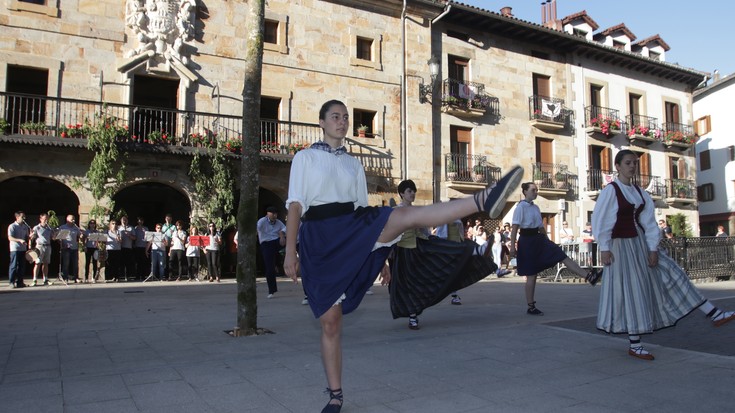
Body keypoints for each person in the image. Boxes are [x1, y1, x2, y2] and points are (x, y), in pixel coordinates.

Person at [283, 100, 522, 413]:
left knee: (408, 214)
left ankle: (482, 198)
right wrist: (290, 250)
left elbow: (360, 210)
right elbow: (295, 206)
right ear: (322, 122)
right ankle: (335, 392)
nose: (342, 122)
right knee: (331, 323)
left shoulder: (354, 164)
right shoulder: (305, 157)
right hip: (320, 237)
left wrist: (380, 256)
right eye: (335, 117)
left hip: (354, 225)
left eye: (346, 117)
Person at [592, 149, 735, 361]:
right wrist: (604, 247)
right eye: (628, 162)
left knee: (675, 274)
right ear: (618, 166)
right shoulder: (611, 191)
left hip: (640, 243)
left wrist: (652, 248)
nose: (632, 166)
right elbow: (601, 220)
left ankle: (713, 313)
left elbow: (649, 223)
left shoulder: (641, 193)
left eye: (635, 163)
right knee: (632, 292)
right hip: (620, 247)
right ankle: (635, 344)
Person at [509, 182, 600, 316]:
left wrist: (547, 240)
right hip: (527, 241)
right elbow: (515, 228)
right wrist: (512, 247)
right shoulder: (520, 207)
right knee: (531, 274)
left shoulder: (536, 208)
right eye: (533, 190)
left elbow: (540, 226)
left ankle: (588, 276)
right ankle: (531, 306)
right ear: (525, 192)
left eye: (536, 190)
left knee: (561, 254)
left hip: (539, 238)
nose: (536, 192)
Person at [256, 206, 286, 298]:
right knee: (269, 267)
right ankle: (271, 290)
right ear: (267, 214)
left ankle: (281, 259)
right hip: (266, 243)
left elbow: (285, 228)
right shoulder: (262, 221)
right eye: (272, 213)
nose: (274, 215)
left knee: (289, 240)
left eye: (275, 213)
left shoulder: (279, 222)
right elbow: (256, 229)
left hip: (276, 241)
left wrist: (282, 235)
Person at [29, 213, 54, 286]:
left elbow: (53, 238)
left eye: (47, 219)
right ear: (41, 219)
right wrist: (31, 236)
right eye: (44, 218)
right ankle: (34, 279)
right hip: (39, 246)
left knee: (46, 263)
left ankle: (45, 279)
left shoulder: (49, 228)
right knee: (38, 263)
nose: (46, 220)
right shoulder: (37, 227)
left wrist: (54, 234)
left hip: (48, 246)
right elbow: (32, 237)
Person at [7, 211, 30, 288]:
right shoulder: (12, 226)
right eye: (22, 217)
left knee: (22, 266)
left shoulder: (25, 227)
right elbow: (10, 237)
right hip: (15, 248)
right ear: (17, 217)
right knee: (13, 266)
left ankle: (20, 282)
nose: (24, 218)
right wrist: (20, 240)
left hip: (23, 249)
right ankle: (11, 282)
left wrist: (31, 236)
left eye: (24, 217)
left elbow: (27, 237)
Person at [58, 214, 82, 283]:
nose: (73, 221)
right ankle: (65, 277)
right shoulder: (63, 227)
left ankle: (76, 277)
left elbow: (79, 236)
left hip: (74, 248)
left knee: (75, 264)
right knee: (66, 264)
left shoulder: (76, 228)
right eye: (72, 219)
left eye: (74, 219)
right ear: (67, 220)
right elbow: (59, 238)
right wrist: (62, 244)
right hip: (66, 248)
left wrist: (81, 235)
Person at [119, 215, 136, 281]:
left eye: (125, 220)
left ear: (127, 221)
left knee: (128, 263)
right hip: (120, 247)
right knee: (121, 262)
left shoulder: (131, 228)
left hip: (128, 247)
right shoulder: (118, 228)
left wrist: (129, 235)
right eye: (123, 220)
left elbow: (135, 238)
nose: (124, 221)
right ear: (121, 221)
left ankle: (128, 276)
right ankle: (121, 276)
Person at [161, 213, 175, 278]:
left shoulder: (173, 226)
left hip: (171, 244)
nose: (168, 220)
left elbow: (175, 236)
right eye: (167, 218)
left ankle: (170, 275)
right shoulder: (163, 226)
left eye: (169, 218)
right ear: (165, 219)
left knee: (170, 260)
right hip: (164, 245)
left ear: (171, 219)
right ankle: (164, 274)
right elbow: (160, 235)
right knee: (164, 260)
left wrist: (173, 233)